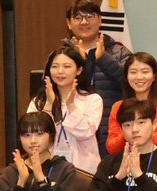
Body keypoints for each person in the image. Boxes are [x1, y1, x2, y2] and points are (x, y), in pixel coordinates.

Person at [62, 0, 132, 156]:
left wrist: (103, 58)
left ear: (100, 20)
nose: (84, 22)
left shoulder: (120, 52)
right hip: (73, 134)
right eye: (78, 17)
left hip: (111, 134)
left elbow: (130, 86)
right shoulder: (61, 56)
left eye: (90, 16)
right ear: (68, 23)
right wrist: (80, 62)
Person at [27, 44, 103, 174]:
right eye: (55, 66)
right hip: (46, 168)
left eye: (67, 66)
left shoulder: (92, 99)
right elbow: (35, 133)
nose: (60, 71)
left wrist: (71, 105)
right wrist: (50, 106)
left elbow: (84, 133)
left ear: (79, 70)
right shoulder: (38, 102)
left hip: (83, 170)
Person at [106, 53, 157, 154]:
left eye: (145, 72)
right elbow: (111, 147)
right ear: (126, 77)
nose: (139, 77)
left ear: (154, 76)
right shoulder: (118, 107)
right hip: (127, 159)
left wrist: (144, 133)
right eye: (133, 72)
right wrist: (127, 133)